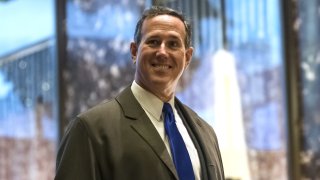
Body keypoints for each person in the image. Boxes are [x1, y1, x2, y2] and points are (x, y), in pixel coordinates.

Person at [55, 6, 224, 180]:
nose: (162, 52)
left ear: (187, 57)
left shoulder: (206, 133)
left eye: (173, 44)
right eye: (153, 42)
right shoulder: (91, 129)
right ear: (134, 51)